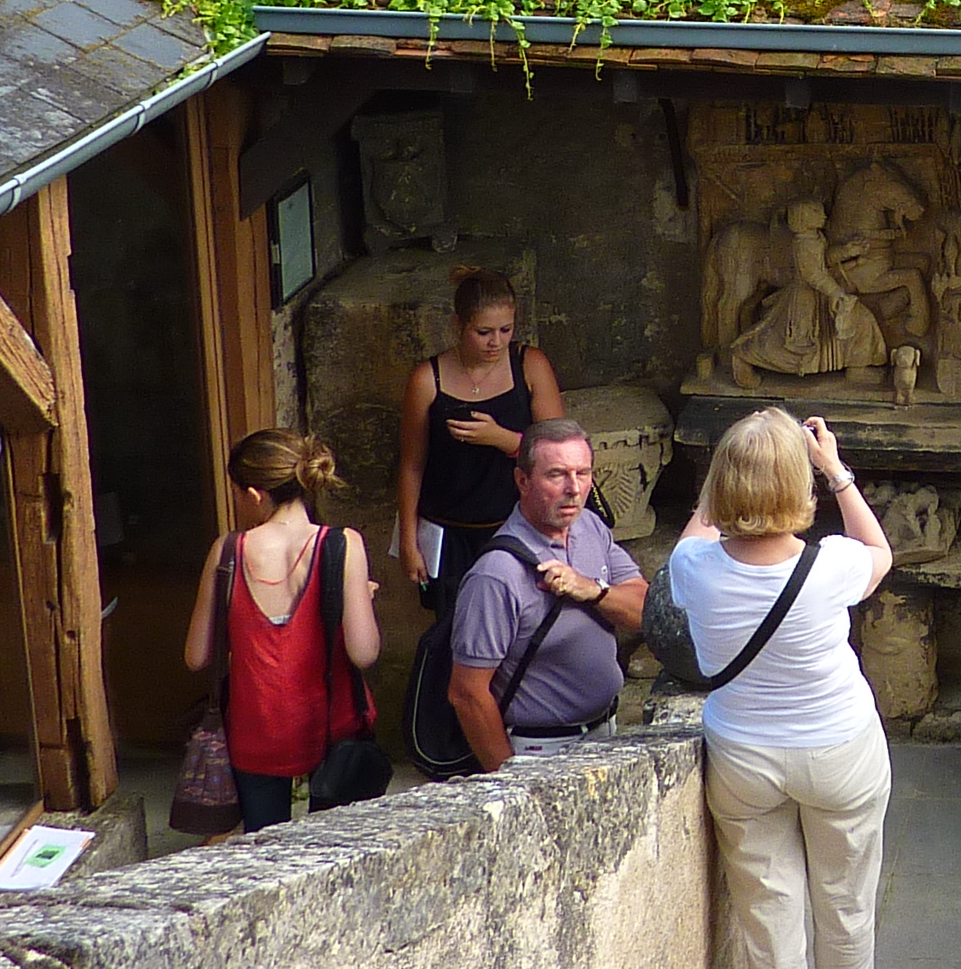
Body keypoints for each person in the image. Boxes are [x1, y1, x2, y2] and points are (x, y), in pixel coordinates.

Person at [672, 410, 895, 969]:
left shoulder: (695, 569)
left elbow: (696, 532)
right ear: (800, 486)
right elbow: (882, 553)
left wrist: (718, 492)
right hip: (841, 750)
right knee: (848, 906)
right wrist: (835, 468)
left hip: (744, 758)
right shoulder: (832, 567)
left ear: (721, 486)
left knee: (769, 919)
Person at [181, 430, 380, 832]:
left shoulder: (227, 550)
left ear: (254, 495)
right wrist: (361, 602)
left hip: (256, 729)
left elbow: (196, 655)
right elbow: (364, 652)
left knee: (264, 850)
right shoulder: (343, 544)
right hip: (329, 723)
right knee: (333, 850)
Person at [446, 419, 645, 771]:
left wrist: (592, 591)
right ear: (523, 481)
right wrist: (511, 784)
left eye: (583, 473)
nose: (574, 488)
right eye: (557, 475)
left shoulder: (590, 527)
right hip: (541, 751)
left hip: (606, 733)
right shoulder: (496, 575)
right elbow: (467, 694)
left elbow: (644, 610)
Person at [398, 267, 565, 618]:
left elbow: (557, 451)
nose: (496, 342)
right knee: (454, 626)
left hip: (516, 524)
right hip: (448, 530)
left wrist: (504, 440)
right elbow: (412, 463)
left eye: (506, 330)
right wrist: (408, 542)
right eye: (483, 332)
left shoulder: (529, 365)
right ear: (458, 325)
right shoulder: (428, 379)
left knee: (520, 620)